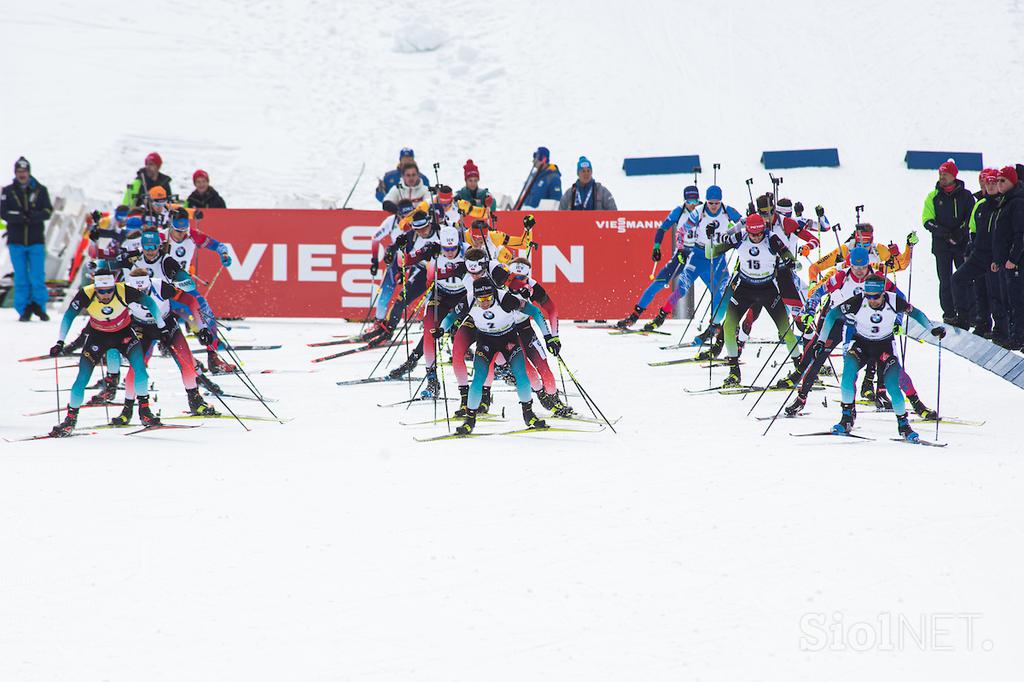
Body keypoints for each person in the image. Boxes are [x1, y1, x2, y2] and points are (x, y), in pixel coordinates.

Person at [817, 274, 946, 442]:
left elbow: (916, 313)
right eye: (868, 296)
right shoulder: (858, 301)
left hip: (884, 346)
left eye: (876, 297)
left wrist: (931, 329)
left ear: (883, 293)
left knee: (893, 386)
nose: (872, 300)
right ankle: (846, 418)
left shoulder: (894, 301)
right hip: (861, 343)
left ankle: (904, 426)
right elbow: (832, 315)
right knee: (847, 376)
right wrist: (821, 340)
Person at [46, 269, 165, 436]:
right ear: (95, 289)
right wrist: (60, 342)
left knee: (140, 371)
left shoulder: (123, 289)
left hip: (123, 335)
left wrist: (162, 327)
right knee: (82, 378)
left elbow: (150, 303)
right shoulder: (86, 293)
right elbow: (68, 316)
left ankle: (144, 412)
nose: (106, 294)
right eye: (102, 291)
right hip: (98, 337)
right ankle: (70, 420)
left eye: (110, 290)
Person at [707, 213, 800, 388]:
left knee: (785, 330)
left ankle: (800, 368)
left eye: (759, 234)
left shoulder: (771, 238)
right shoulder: (739, 237)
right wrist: (709, 237)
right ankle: (734, 372)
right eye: (753, 234)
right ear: (747, 230)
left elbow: (788, 255)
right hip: (745, 288)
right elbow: (709, 253)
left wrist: (790, 262)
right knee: (729, 326)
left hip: (768, 289)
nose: (757, 237)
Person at [455, 278, 548, 435]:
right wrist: (441, 329)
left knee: (521, 375)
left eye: (489, 298)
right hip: (485, 341)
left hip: (508, 340)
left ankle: (528, 414)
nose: (485, 303)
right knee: (479, 378)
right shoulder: (469, 299)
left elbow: (535, 312)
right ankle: (469, 420)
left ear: (494, 294)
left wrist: (549, 337)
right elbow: (451, 316)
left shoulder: (505, 298)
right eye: (481, 299)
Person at [616, 186, 701, 328]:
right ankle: (634, 316)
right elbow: (662, 229)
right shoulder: (679, 211)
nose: (692, 204)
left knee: (691, 287)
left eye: (695, 200)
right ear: (685, 200)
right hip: (682, 254)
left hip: (699, 255)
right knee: (658, 282)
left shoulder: (703, 211)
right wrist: (657, 247)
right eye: (689, 200)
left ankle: (719, 325)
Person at [951, 169, 1005, 338]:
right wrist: (971, 249)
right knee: (960, 279)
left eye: (993, 183)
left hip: (996, 258)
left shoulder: (1004, 205)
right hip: (979, 255)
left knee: (996, 293)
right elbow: (973, 230)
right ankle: (967, 319)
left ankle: (1001, 329)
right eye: (986, 183)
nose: (989, 186)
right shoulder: (980, 205)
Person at [922, 160, 975, 323]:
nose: (942, 177)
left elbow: (970, 217)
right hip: (941, 246)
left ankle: (969, 313)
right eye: (940, 174)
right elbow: (927, 220)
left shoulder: (966, 195)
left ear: (954, 176)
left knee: (964, 278)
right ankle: (949, 313)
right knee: (945, 280)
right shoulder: (933, 196)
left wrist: (959, 233)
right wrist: (945, 234)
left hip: (962, 244)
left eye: (945, 174)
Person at [1, 156, 53, 321]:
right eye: (19, 171)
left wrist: (33, 216)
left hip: (36, 240)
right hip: (16, 241)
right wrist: (20, 218)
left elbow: (47, 211)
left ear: (29, 172)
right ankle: (23, 308)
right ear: (15, 173)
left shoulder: (40, 190)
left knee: (37, 276)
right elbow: (4, 213)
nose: (22, 174)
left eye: (24, 171)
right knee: (21, 277)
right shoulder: (8, 191)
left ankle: (40, 307)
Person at [991, 165, 1024, 349]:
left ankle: (1019, 336)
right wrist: (998, 259)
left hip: (1016, 263)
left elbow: (1020, 234)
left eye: (1002, 180)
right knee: (1009, 298)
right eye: (997, 180)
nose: (999, 184)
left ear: (1012, 181)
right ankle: (1015, 334)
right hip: (1006, 262)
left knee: (1017, 300)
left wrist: (1013, 258)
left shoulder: (1017, 202)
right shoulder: (1006, 201)